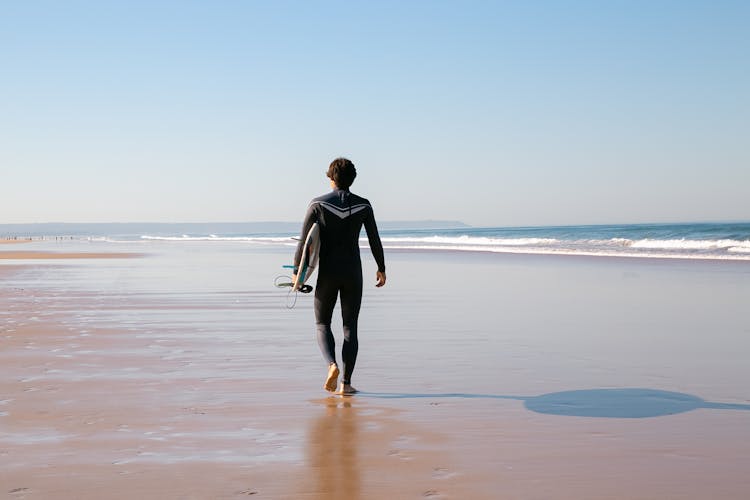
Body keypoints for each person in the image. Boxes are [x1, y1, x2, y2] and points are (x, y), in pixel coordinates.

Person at [293, 158, 386, 395]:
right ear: (352, 179)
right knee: (350, 327)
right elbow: (374, 238)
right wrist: (381, 267)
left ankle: (331, 365)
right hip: (353, 272)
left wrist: (297, 273)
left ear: (331, 178)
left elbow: (305, 243)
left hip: (328, 272)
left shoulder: (317, 204)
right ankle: (346, 384)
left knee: (322, 323)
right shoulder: (364, 205)